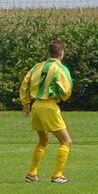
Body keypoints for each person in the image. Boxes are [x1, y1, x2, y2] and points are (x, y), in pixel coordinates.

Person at [19, 40, 73, 183]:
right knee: (66, 141)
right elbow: (66, 89)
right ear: (61, 53)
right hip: (49, 106)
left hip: (36, 105)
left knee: (43, 140)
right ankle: (57, 175)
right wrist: (63, 97)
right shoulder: (60, 68)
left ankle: (32, 173)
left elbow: (25, 84)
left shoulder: (37, 66)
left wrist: (26, 103)